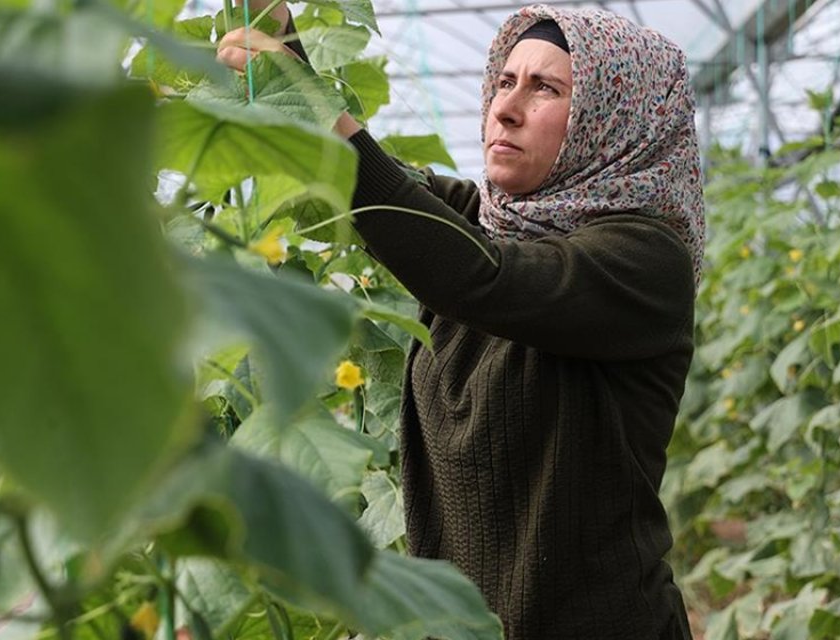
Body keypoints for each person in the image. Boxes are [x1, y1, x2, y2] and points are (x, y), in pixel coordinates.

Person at [215, 4, 705, 639]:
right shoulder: (488, 222)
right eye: (505, 81)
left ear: (611, 120)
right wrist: (285, 50)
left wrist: (316, 113)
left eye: (546, 88)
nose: (507, 108)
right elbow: (392, 194)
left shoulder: (646, 260)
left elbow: (477, 274)